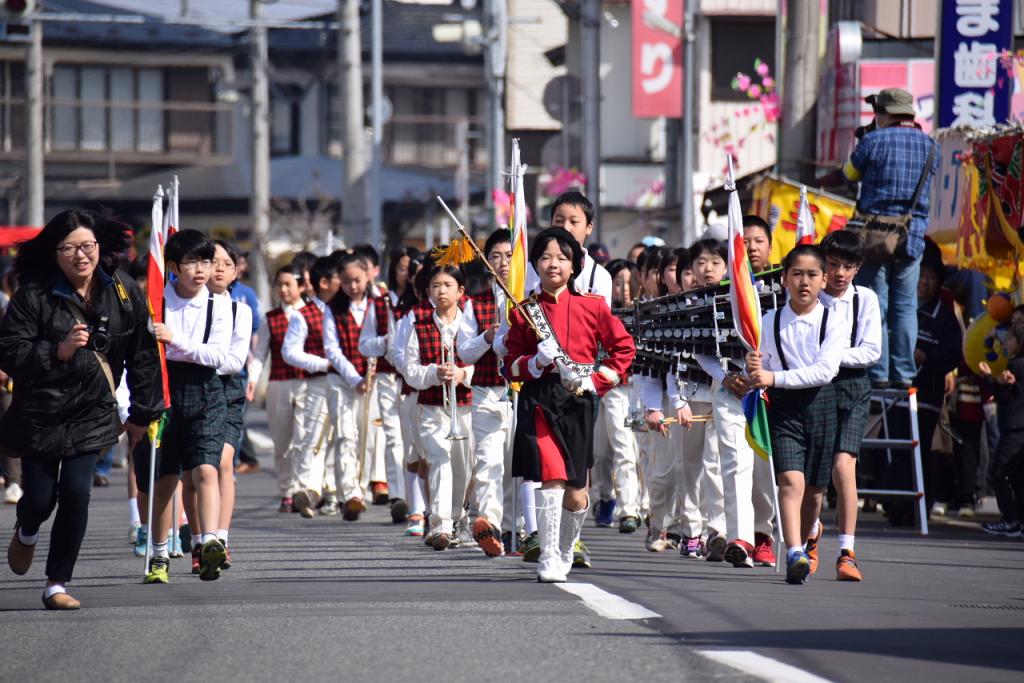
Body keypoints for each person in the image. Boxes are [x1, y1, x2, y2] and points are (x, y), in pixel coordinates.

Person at [0, 210, 162, 609]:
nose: (80, 256)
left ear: (99, 247)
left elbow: (143, 353)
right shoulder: (34, 294)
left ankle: (57, 583)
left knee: (76, 492)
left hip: (93, 412)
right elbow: (9, 351)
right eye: (69, 248)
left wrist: (144, 411)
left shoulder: (123, 290)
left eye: (87, 246)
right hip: (41, 412)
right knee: (39, 499)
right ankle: (27, 530)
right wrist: (58, 350)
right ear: (54, 254)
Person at [503, 228, 634, 583]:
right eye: (545, 258)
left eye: (561, 258)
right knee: (551, 476)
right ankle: (547, 554)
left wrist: (597, 379)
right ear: (535, 265)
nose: (553, 264)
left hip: (579, 401)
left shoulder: (593, 306)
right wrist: (534, 362)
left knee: (576, 494)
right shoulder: (525, 312)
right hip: (540, 399)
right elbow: (510, 364)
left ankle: (566, 547)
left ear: (574, 265)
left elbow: (623, 349)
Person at [746, 245, 849, 584]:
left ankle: (806, 538)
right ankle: (793, 552)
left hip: (821, 404)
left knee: (816, 491)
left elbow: (825, 371)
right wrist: (754, 368)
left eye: (812, 275)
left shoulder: (833, 321)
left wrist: (773, 376)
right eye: (797, 274)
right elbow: (764, 364)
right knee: (791, 481)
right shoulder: (768, 320)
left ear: (823, 280)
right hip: (784, 408)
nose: (804, 282)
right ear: (785, 279)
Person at [139, 229, 233, 585]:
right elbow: (147, 353)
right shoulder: (156, 301)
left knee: (206, 471)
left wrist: (176, 341)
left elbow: (217, 355)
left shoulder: (218, 305)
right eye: (192, 261)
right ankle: (160, 553)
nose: (201, 270)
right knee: (165, 481)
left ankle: (209, 543)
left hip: (207, 394)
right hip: (165, 396)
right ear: (174, 266)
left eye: (206, 262)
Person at [845, 88, 939, 389]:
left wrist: (866, 140)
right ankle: (904, 372)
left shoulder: (873, 141)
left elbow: (849, 173)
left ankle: (879, 373)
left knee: (875, 303)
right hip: (910, 236)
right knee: (905, 305)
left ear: (884, 114)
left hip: (873, 236)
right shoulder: (930, 146)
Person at [808, 230, 882, 582]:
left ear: (858, 268)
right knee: (816, 477)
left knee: (843, 467)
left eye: (847, 266)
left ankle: (847, 552)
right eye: (833, 265)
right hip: (815, 389)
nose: (839, 273)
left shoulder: (864, 299)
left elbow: (872, 351)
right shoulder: (809, 298)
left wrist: (831, 357)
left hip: (853, 387)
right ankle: (810, 538)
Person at [402, 263, 474, 550]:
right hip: (431, 407)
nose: (441, 290)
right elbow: (409, 369)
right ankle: (441, 526)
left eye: (447, 285)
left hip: (467, 406)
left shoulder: (469, 324)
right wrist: (434, 373)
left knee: (464, 467)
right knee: (440, 460)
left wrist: (462, 374)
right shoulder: (417, 324)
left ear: (460, 291)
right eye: (435, 286)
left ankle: (457, 519)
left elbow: (482, 362)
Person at [195, 240, 252, 572]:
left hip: (226, 389)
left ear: (235, 270)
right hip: (192, 389)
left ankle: (221, 539)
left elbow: (234, 360)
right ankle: (200, 538)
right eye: (209, 261)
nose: (216, 268)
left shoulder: (239, 310)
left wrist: (189, 354)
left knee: (223, 463)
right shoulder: (190, 306)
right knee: (197, 472)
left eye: (224, 263)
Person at [457, 229, 514, 557]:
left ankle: (518, 527)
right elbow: (464, 352)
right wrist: (486, 338)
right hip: (485, 392)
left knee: (515, 464)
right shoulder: (474, 304)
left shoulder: (530, 297)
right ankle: (489, 525)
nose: (503, 262)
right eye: (495, 256)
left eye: (509, 255)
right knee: (489, 461)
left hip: (521, 394)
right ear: (486, 260)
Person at [282, 256, 341, 519]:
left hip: (347, 383)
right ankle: (307, 490)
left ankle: (334, 491)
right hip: (318, 383)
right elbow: (289, 352)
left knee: (342, 436)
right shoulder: (302, 315)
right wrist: (324, 364)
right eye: (339, 277)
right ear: (325, 282)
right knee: (314, 436)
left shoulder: (346, 310)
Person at [247, 264, 307, 513]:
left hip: (307, 384)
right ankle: (287, 491)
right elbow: (260, 354)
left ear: (301, 286)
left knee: (305, 439)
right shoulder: (270, 319)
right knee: (282, 442)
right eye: (279, 285)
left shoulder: (313, 314)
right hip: (278, 383)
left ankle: (305, 489)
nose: (283, 290)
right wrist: (252, 379)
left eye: (288, 284)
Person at [323, 252, 373, 521]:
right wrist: (354, 378)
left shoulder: (378, 305)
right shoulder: (332, 308)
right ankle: (350, 493)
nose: (352, 286)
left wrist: (368, 375)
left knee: (367, 438)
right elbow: (332, 349)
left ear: (367, 276)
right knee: (345, 435)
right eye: (346, 281)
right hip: (341, 381)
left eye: (357, 280)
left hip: (373, 379)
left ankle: (362, 489)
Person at [980, 321, 1024, 537]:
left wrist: (990, 377)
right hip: (1019, 428)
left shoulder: (1016, 366)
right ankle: (1019, 519)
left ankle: (1010, 519)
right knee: (1017, 476)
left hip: (1015, 427)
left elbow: (1004, 396)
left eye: (1011, 339)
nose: (1006, 342)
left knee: (999, 474)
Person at [549, 191, 612, 306]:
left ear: (589, 227)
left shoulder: (599, 276)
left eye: (573, 222)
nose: (565, 228)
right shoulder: (530, 269)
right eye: (559, 221)